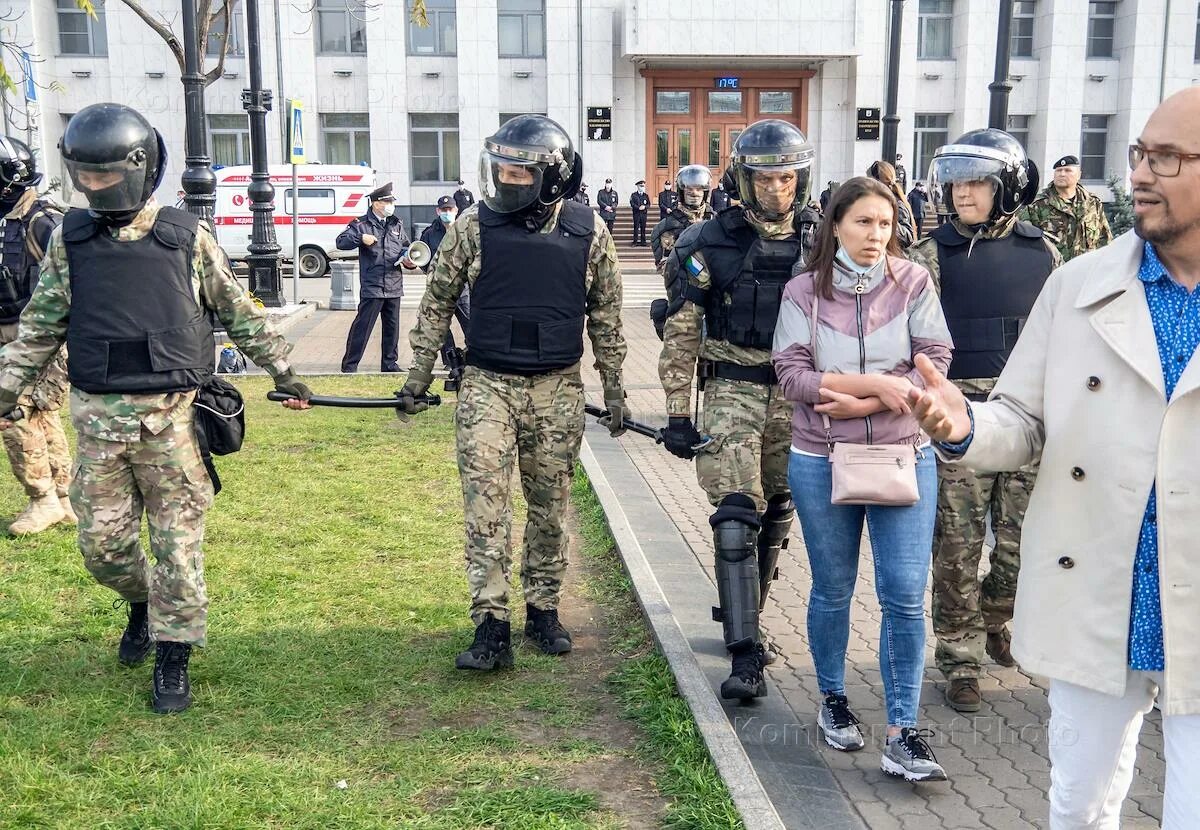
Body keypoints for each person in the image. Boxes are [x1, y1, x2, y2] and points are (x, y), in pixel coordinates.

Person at [908, 86, 1200, 830]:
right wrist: (963, 424)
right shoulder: (1078, 283)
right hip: (1100, 596)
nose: (1139, 173)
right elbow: (1023, 418)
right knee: (1080, 806)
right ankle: (966, 651)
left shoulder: (1041, 254)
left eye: (1167, 158)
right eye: (1140, 153)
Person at [0, 103, 314, 714]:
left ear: (138, 167)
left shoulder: (185, 237)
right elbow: (38, 328)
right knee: (104, 549)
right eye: (83, 177)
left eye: (103, 176)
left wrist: (288, 373)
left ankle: (174, 653)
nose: (93, 188)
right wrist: (4, 391)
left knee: (177, 546)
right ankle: (142, 604)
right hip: (97, 426)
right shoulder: (71, 239)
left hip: (171, 423)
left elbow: (239, 313)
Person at [397, 114, 628, 672]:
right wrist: (417, 378)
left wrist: (617, 390)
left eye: (518, 173)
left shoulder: (589, 230)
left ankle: (543, 609)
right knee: (486, 509)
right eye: (500, 170)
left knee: (550, 507)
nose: (505, 180)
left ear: (550, 177)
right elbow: (436, 304)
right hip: (487, 386)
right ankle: (491, 622)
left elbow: (608, 317)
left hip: (557, 389)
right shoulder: (473, 227)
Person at [773, 176, 953, 782]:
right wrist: (878, 386)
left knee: (905, 595)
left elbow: (934, 364)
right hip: (821, 458)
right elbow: (792, 374)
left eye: (885, 224)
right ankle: (831, 697)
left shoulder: (915, 283)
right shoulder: (802, 291)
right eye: (863, 223)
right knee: (832, 588)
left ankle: (904, 730)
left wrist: (865, 405)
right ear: (835, 227)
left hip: (905, 455)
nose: (876, 236)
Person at [658, 119, 819, 700]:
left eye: (786, 179)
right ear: (742, 181)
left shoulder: (821, 240)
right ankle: (744, 656)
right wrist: (678, 411)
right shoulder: (707, 240)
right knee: (734, 512)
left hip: (798, 394)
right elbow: (682, 328)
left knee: (778, 505)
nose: (776, 190)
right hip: (733, 388)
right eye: (764, 179)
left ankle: (743, 611)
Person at [907, 128, 1061, 712]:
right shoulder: (929, 254)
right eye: (955, 182)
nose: (961, 193)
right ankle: (960, 657)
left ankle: (998, 616)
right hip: (960, 421)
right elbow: (910, 336)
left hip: (1029, 415)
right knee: (957, 546)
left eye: (976, 182)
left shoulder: (1043, 252)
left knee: (1025, 546)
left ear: (1008, 186)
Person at [0, 136, 73, 535]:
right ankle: (61, 496)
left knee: (15, 415)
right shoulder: (10, 217)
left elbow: (71, 282)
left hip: (38, 339)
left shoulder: (42, 221)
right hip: (12, 336)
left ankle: (43, 497)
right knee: (40, 417)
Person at [336, 182, 413, 373]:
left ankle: (389, 364)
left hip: (394, 284)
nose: (391, 204)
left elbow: (404, 246)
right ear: (376, 203)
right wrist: (360, 238)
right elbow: (341, 242)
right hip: (373, 285)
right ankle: (350, 365)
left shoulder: (396, 223)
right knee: (363, 327)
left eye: (392, 201)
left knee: (392, 329)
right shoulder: (361, 224)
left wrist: (408, 259)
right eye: (388, 201)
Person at [1021, 153, 1114, 262]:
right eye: (1058, 170)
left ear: (1079, 175)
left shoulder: (1093, 203)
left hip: (1086, 271)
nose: (1062, 174)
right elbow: (1024, 243)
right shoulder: (1036, 205)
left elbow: (1105, 240)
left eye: (1067, 170)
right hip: (1053, 272)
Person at [419, 195, 469, 392]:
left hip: (462, 289)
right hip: (439, 290)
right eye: (444, 210)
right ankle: (449, 361)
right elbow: (422, 259)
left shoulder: (465, 231)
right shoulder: (430, 234)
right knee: (442, 329)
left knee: (471, 323)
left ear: (456, 211)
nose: (447, 213)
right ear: (438, 211)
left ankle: (475, 356)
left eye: (450, 209)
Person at [650, 165, 713, 278]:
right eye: (689, 189)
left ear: (705, 192)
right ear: (682, 192)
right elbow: (666, 265)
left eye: (699, 189)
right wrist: (701, 273)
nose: (694, 193)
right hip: (686, 290)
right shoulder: (669, 226)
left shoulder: (716, 221)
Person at [867, 160, 916, 248]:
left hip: (894, 257)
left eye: (869, 180)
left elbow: (908, 237)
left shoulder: (896, 204)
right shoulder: (876, 202)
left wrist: (887, 220)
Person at [630, 180, 650, 246]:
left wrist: (645, 207)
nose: (642, 187)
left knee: (643, 228)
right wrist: (638, 207)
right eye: (641, 186)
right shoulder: (634, 195)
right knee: (636, 228)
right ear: (638, 186)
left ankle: (643, 242)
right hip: (636, 214)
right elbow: (632, 203)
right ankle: (635, 242)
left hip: (643, 214)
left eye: (643, 186)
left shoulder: (646, 195)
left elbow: (648, 204)